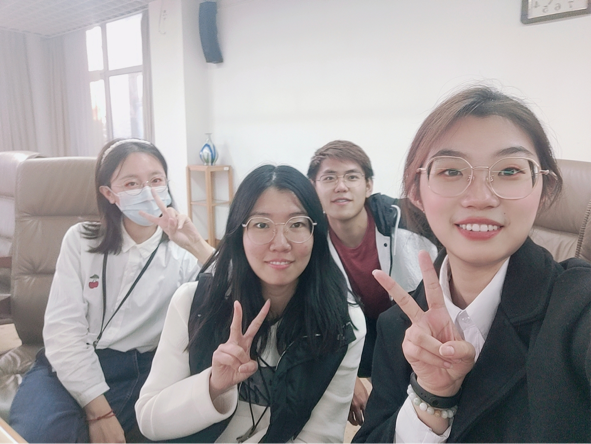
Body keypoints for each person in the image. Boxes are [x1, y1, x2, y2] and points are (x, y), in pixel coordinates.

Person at [353, 85, 591, 443]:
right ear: (416, 192)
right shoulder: (398, 326)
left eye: (509, 171)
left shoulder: (578, 307)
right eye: (451, 171)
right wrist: (430, 397)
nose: (480, 198)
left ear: (544, 190)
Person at [135, 164, 366, 443]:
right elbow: (149, 419)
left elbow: (321, 436)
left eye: (296, 224)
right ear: (239, 233)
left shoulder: (342, 322)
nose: (280, 243)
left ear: (316, 233)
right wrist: (213, 386)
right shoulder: (193, 303)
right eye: (261, 225)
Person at [10, 139, 214, 444]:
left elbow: (236, 292)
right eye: (132, 183)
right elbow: (63, 331)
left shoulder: (183, 254)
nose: (147, 191)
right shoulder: (81, 241)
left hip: (142, 370)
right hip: (68, 364)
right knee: (42, 436)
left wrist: (197, 246)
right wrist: (99, 412)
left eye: (156, 180)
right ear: (109, 194)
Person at [307, 140, 438, 425]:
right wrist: (345, 374)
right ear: (313, 188)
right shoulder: (308, 240)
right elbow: (311, 313)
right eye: (329, 178)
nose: (341, 186)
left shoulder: (409, 221)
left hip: (416, 328)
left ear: (368, 186)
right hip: (359, 337)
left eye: (351, 177)